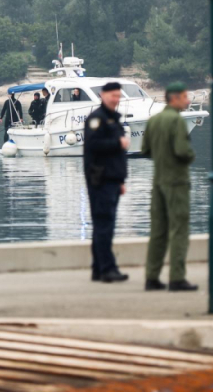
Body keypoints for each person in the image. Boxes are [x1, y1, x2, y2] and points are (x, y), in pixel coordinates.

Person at [142, 82, 197, 292]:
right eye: (185, 97)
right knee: (179, 229)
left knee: (158, 231)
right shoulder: (177, 120)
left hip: (158, 181)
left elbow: (145, 150)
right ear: (174, 98)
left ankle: (152, 277)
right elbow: (182, 151)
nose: (188, 101)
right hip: (177, 181)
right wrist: (191, 155)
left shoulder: (153, 121)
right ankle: (177, 277)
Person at [83, 81, 129, 283]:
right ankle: (108, 269)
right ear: (103, 95)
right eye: (113, 96)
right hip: (100, 180)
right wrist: (118, 142)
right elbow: (93, 144)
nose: (116, 100)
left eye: (118, 96)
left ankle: (98, 269)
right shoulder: (97, 119)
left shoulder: (113, 119)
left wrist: (120, 181)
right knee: (104, 225)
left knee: (104, 225)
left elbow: (116, 157)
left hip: (112, 179)